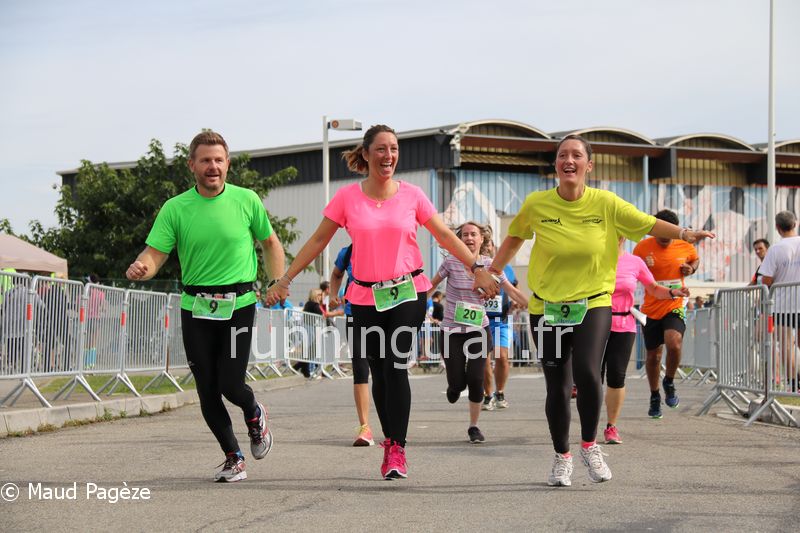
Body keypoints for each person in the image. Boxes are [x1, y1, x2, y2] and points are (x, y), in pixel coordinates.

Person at [266, 124, 499, 480]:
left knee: (395, 366)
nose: (389, 155)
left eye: (394, 149)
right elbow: (317, 241)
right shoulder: (347, 198)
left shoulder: (413, 195)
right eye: (381, 149)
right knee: (379, 372)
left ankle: (397, 449)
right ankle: (390, 439)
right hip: (364, 297)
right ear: (366, 153)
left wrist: (476, 267)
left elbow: (444, 235)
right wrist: (286, 279)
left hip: (408, 291)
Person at [489, 134, 713, 487]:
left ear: (588, 165)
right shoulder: (537, 204)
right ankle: (562, 456)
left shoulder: (606, 203)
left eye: (576, 155)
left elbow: (647, 223)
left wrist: (685, 233)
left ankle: (590, 445)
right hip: (547, 307)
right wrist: (492, 271)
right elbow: (514, 237)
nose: (569, 160)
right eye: (562, 155)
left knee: (588, 373)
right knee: (558, 386)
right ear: (556, 164)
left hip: (593, 301)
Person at [126, 130, 285, 483]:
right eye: (205, 160)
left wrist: (276, 281)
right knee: (207, 388)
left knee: (231, 383)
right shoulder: (175, 208)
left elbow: (271, 244)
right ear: (192, 165)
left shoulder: (246, 200)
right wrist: (142, 267)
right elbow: (155, 254)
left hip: (239, 304)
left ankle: (254, 412)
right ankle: (233, 458)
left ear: (227, 164)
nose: (212, 166)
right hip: (196, 306)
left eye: (218, 160)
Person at [428, 221, 526, 444]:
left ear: (482, 239)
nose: (469, 238)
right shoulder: (451, 262)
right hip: (451, 331)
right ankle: (454, 387)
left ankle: (473, 426)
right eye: (465, 235)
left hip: (478, 330)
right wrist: (411, 305)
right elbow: (432, 286)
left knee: (476, 378)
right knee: (457, 382)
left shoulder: (492, 266)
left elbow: (512, 291)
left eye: (473, 234)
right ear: (459, 240)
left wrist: (536, 305)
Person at [602, 237, 689, 444]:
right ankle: (588, 429)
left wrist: (672, 292)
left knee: (616, 377)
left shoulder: (634, 262)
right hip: (596, 323)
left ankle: (611, 427)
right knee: (592, 378)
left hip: (624, 325)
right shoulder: (592, 258)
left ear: (623, 236)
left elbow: (654, 288)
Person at [633, 209, 700, 419]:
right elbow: (633, 272)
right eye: (660, 232)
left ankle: (669, 381)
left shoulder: (685, 244)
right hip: (651, 308)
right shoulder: (642, 248)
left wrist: (691, 268)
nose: (664, 237)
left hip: (675, 304)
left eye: (668, 233)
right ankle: (654, 396)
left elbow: (695, 259)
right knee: (653, 356)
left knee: (674, 343)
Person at [330, 243, 375, 446]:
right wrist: (333, 295)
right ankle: (365, 428)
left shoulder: (386, 244)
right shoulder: (347, 252)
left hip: (384, 314)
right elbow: (336, 274)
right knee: (360, 367)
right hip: (354, 313)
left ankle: (393, 425)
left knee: (385, 369)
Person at [482, 238, 526, 411]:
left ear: (494, 248)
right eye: (484, 245)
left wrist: (517, 302)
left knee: (501, 356)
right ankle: (487, 395)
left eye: (489, 245)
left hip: (501, 320)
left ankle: (499, 393)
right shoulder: (474, 267)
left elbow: (515, 287)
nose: (486, 248)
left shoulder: (505, 267)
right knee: (484, 360)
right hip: (480, 321)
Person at [759, 211, 800, 392]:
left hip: (784, 305)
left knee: (786, 345)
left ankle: (794, 383)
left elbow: (766, 279)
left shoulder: (775, 249)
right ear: (795, 224)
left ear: (777, 227)